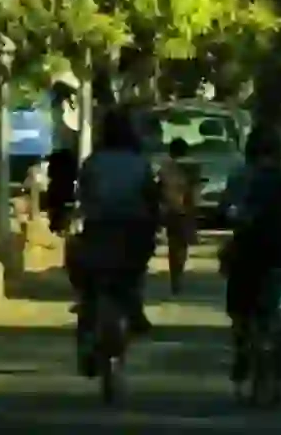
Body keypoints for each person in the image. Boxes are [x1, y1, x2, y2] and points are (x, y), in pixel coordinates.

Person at [220, 125, 281, 383]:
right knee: (278, 287)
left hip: (251, 252)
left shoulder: (242, 176)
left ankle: (242, 343)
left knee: (238, 300)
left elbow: (227, 209)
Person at [69, 107, 160, 376]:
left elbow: (83, 195)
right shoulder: (140, 162)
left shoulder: (93, 162)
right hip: (134, 229)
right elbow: (150, 197)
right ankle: (134, 310)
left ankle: (87, 318)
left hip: (99, 227)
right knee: (134, 270)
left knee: (87, 275)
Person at [157, 138, 198, 295]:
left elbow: (160, 187)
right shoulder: (193, 166)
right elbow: (194, 188)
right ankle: (178, 274)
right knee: (182, 245)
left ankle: (175, 277)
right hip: (186, 209)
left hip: (170, 209)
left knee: (173, 244)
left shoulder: (166, 167)